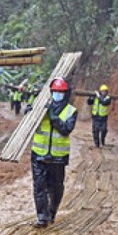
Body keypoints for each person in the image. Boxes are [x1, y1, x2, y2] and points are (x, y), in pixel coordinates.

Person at [31, 77, 77, 227]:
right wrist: (29, 113)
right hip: (39, 153)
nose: (58, 94)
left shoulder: (71, 111)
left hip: (58, 157)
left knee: (56, 187)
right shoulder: (40, 108)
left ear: (66, 93)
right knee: (39, 186)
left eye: (61, 92)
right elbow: (30, 123)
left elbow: (66, 129)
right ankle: (42, 217)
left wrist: (53, 118)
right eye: (55, 91)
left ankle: (51, 212)